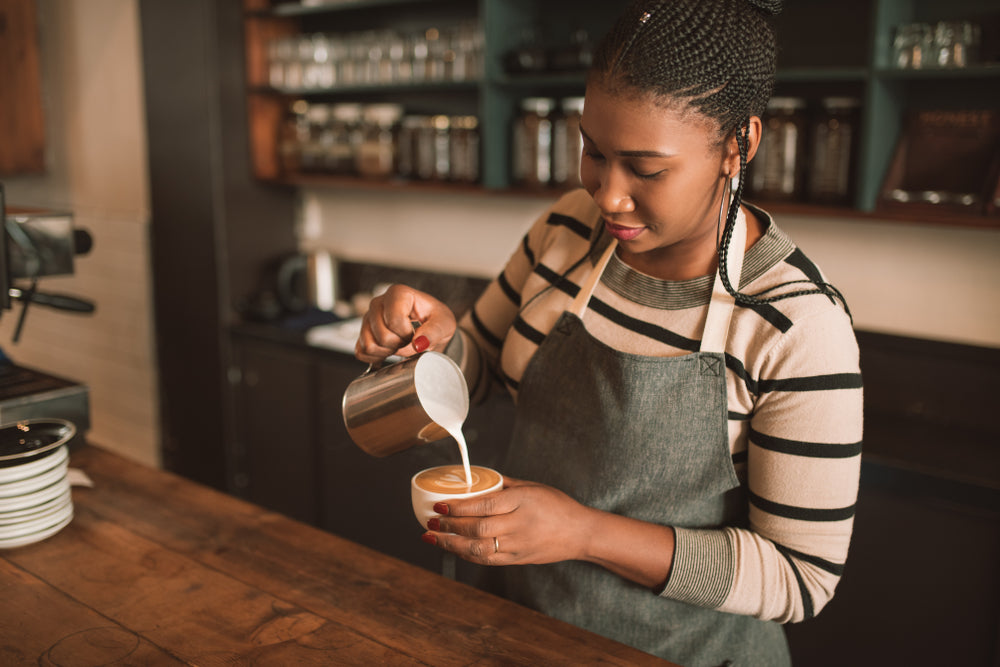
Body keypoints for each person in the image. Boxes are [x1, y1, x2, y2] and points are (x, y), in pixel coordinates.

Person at [355, 0, 863, 664]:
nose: (608, 193)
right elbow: (475, 365)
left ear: (739, 145)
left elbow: (801, 576)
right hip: (517, 630)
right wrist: (433, 336)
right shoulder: (567, 229)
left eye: (646, 169)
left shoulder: (795, 325)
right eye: (593, 150)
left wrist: (585, 534)